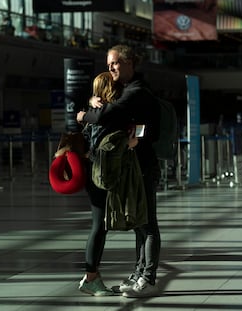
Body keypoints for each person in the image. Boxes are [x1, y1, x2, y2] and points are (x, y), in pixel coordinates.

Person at [77, 44, 161, 298]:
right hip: (132, 168)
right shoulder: (128, 90)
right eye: (108, 64)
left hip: (143, 166)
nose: (110, 67)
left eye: (114, 63)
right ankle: (138, 273)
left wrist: (83, 115)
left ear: (128, 62)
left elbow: (110, 113)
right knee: (139, 222)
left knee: (147, 223)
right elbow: (111, 110)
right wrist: (93, 101)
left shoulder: (137, 91)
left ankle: (147, 276)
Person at [78, 71, 138, 296]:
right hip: (102, 174)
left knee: (99, 225)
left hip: (93, 173)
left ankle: (92, 275)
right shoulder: (111, 112)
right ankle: (91, 277)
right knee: (99, 226)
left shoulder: (95, 110)